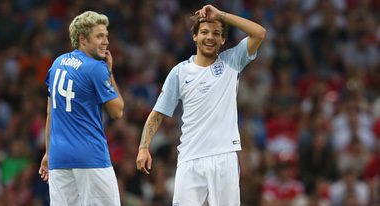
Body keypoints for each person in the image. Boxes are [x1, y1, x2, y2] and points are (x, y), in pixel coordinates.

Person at [136, 4, 266, 205]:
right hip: (190, 159)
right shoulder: (179, 72)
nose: (210, 37)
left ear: (223, 39)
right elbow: (157, 114)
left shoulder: (231, 61)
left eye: (216, 33)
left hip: (224, 157)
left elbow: (259, 33)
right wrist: (143, 148)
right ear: (195, 36)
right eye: (204, 32)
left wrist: (221, 15)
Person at [38, 11, 124, 206]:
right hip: (90, 158)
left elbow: (51, 112)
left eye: (106, 36)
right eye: (99, 36)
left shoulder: (57, 63)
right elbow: (117, 111)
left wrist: (48, 153)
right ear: (82, 39)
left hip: (59, 159)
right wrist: (109, 72)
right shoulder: (95, 67)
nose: (106, 42)